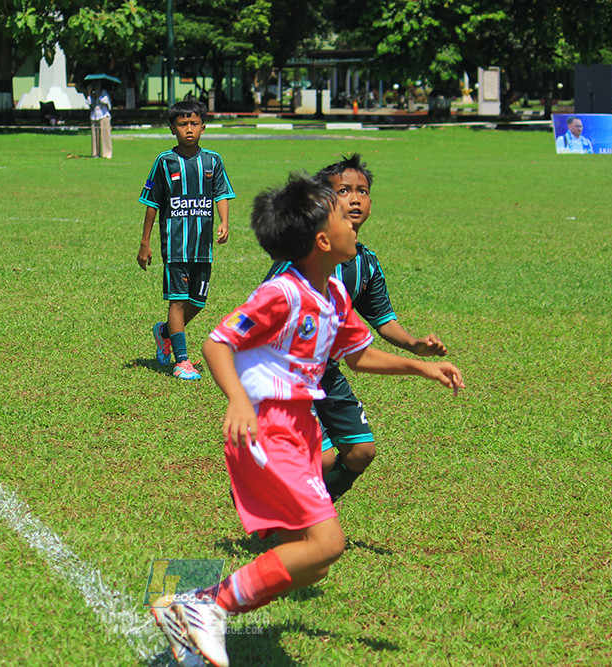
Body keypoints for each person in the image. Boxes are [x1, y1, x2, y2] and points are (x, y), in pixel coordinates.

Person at [150, 174, 464, 667]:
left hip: (298, 431)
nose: (352, 217)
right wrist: (236, 399)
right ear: (322, 240)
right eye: (342, 213)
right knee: (326, 543)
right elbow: (217, 342)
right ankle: (206, 604)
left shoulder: (335, 295)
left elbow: (359, 356)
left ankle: (204, 606)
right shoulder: (282, 293)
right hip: (267, 425)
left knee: (313, 560)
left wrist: (422, 366)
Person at [266, 154, 448, 503]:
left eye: (361, 191)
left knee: (361, 452)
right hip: (286, 371)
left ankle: (307, 512)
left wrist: (414, 344)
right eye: (344, 190)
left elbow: (383, 320)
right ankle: (280, 505)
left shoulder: (364, 263)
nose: (354, 198)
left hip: (326, 370)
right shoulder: (303, 256)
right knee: (324, 457)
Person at [138, 99, 235, 381]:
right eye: (182, 124)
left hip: (202, 247)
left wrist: (224, 221)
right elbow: (151, 202)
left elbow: (221, 194)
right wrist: (145, 242)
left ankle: (165, 332)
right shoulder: (164, 162)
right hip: (175, 245)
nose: (188, 129)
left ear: (203, 127)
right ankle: (182, 361)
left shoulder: (213, 161)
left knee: (198, 301)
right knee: (178, 301)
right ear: (172, 128)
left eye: (194, 123)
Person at [88, 87, 112, 158]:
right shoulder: (91, 93)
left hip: (103, 114)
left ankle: (107, 153)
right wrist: (89, 93)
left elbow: (105, 101)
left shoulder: (103, 91)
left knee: (105, 135)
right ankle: (95, 153)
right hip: (94, 115)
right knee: (95, 135)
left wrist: (98, 96)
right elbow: (89, 103)